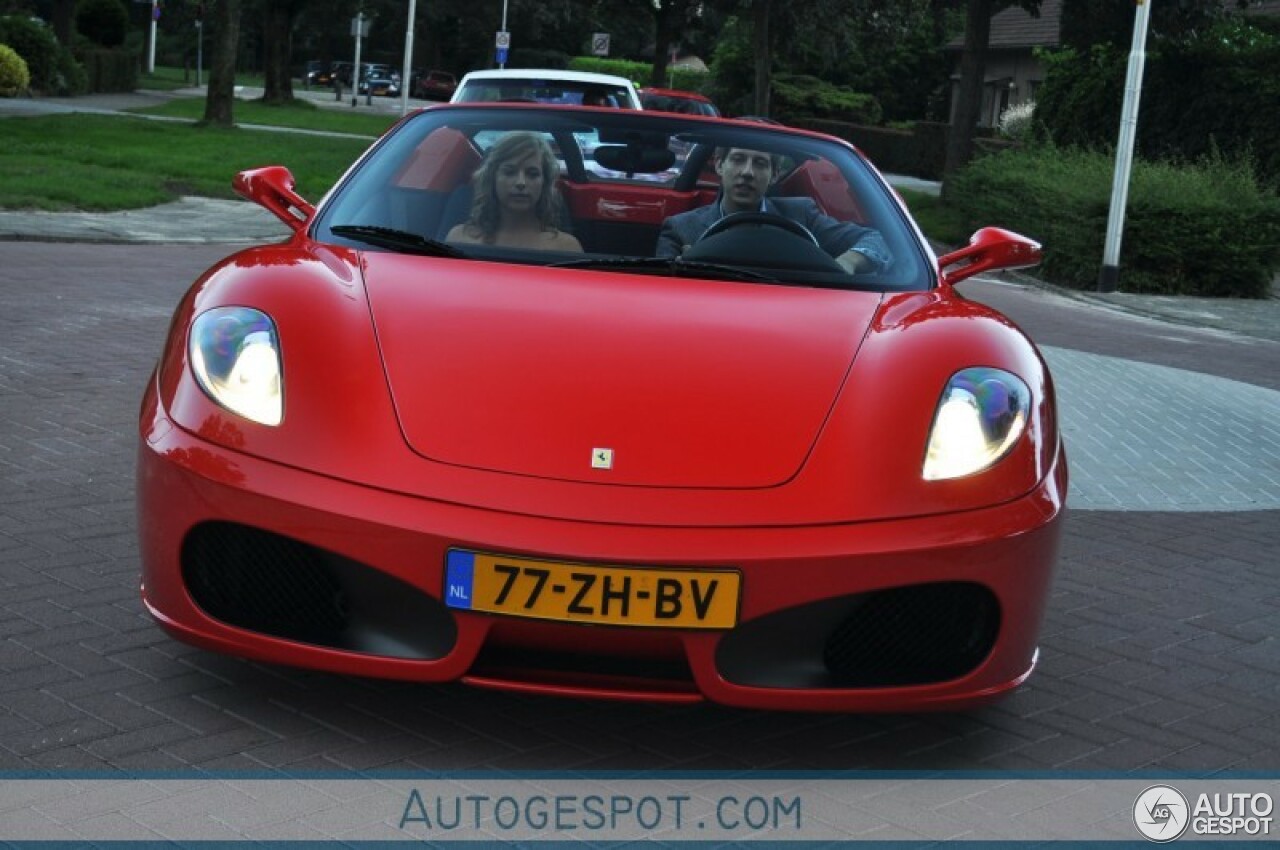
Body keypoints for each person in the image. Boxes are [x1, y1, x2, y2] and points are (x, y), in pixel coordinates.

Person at [655, 146, 890, 273]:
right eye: (738, 159)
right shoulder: (680, 228)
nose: (747, 172)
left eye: (760, 163)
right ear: (719, 165)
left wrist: (848, 262)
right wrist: (685, 267)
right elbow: (664, 291)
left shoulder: (802, 215)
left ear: (774, 175)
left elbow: (879, 240)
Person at [446, 132, 583, 252]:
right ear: (492, 178)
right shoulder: (459, 239)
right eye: (509, 172)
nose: (521, 182)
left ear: (544, 183)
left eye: (532, 174)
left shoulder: (567, 247)